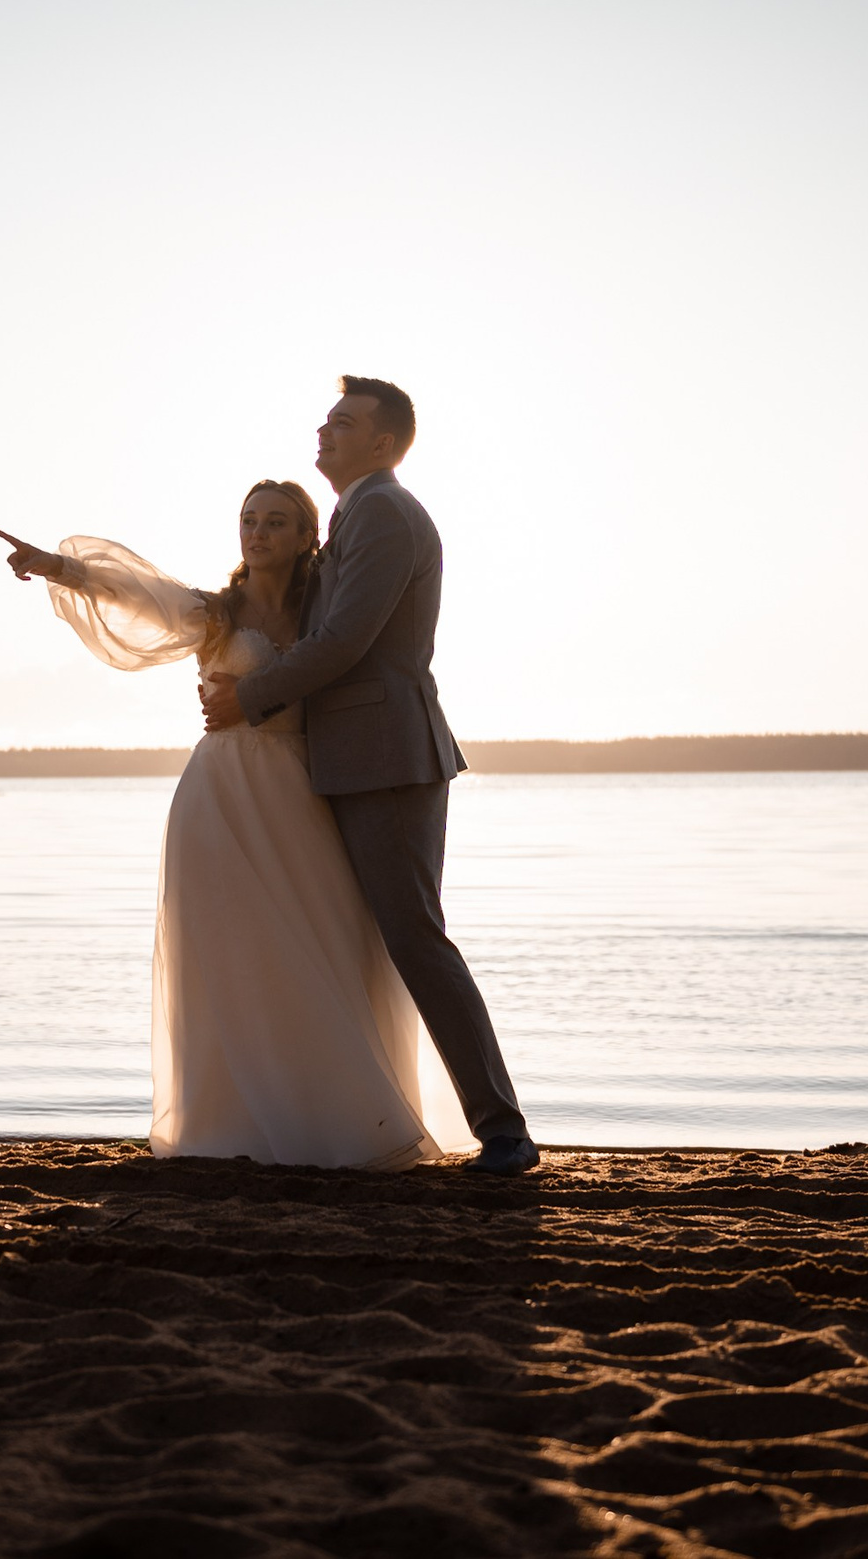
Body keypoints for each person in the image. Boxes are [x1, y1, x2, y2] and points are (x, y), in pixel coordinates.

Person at [0, 478, 470, 1169]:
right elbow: (143, 596)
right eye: (249, 520)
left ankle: (342, 1121)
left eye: (276, 521)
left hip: (308, 794)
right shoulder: (217, 614)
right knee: (231, 961)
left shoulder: (327, 613)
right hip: (218, 798)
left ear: (309, 535)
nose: (258, 532)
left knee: (328, 947)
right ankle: (232, 1124)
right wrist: (59, 566)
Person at [198, 377, 537, 1176]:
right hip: (352, 756)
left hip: (387, 752)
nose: (324, 429)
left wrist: (249, 696)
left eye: (343, 422)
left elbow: (348, 638)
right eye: (326, 418)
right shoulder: (355, 513)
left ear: (384, 443)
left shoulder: (384, 510)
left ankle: (503, 1130)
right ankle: (346, 1114)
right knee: (365, 937)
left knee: (413, 935)